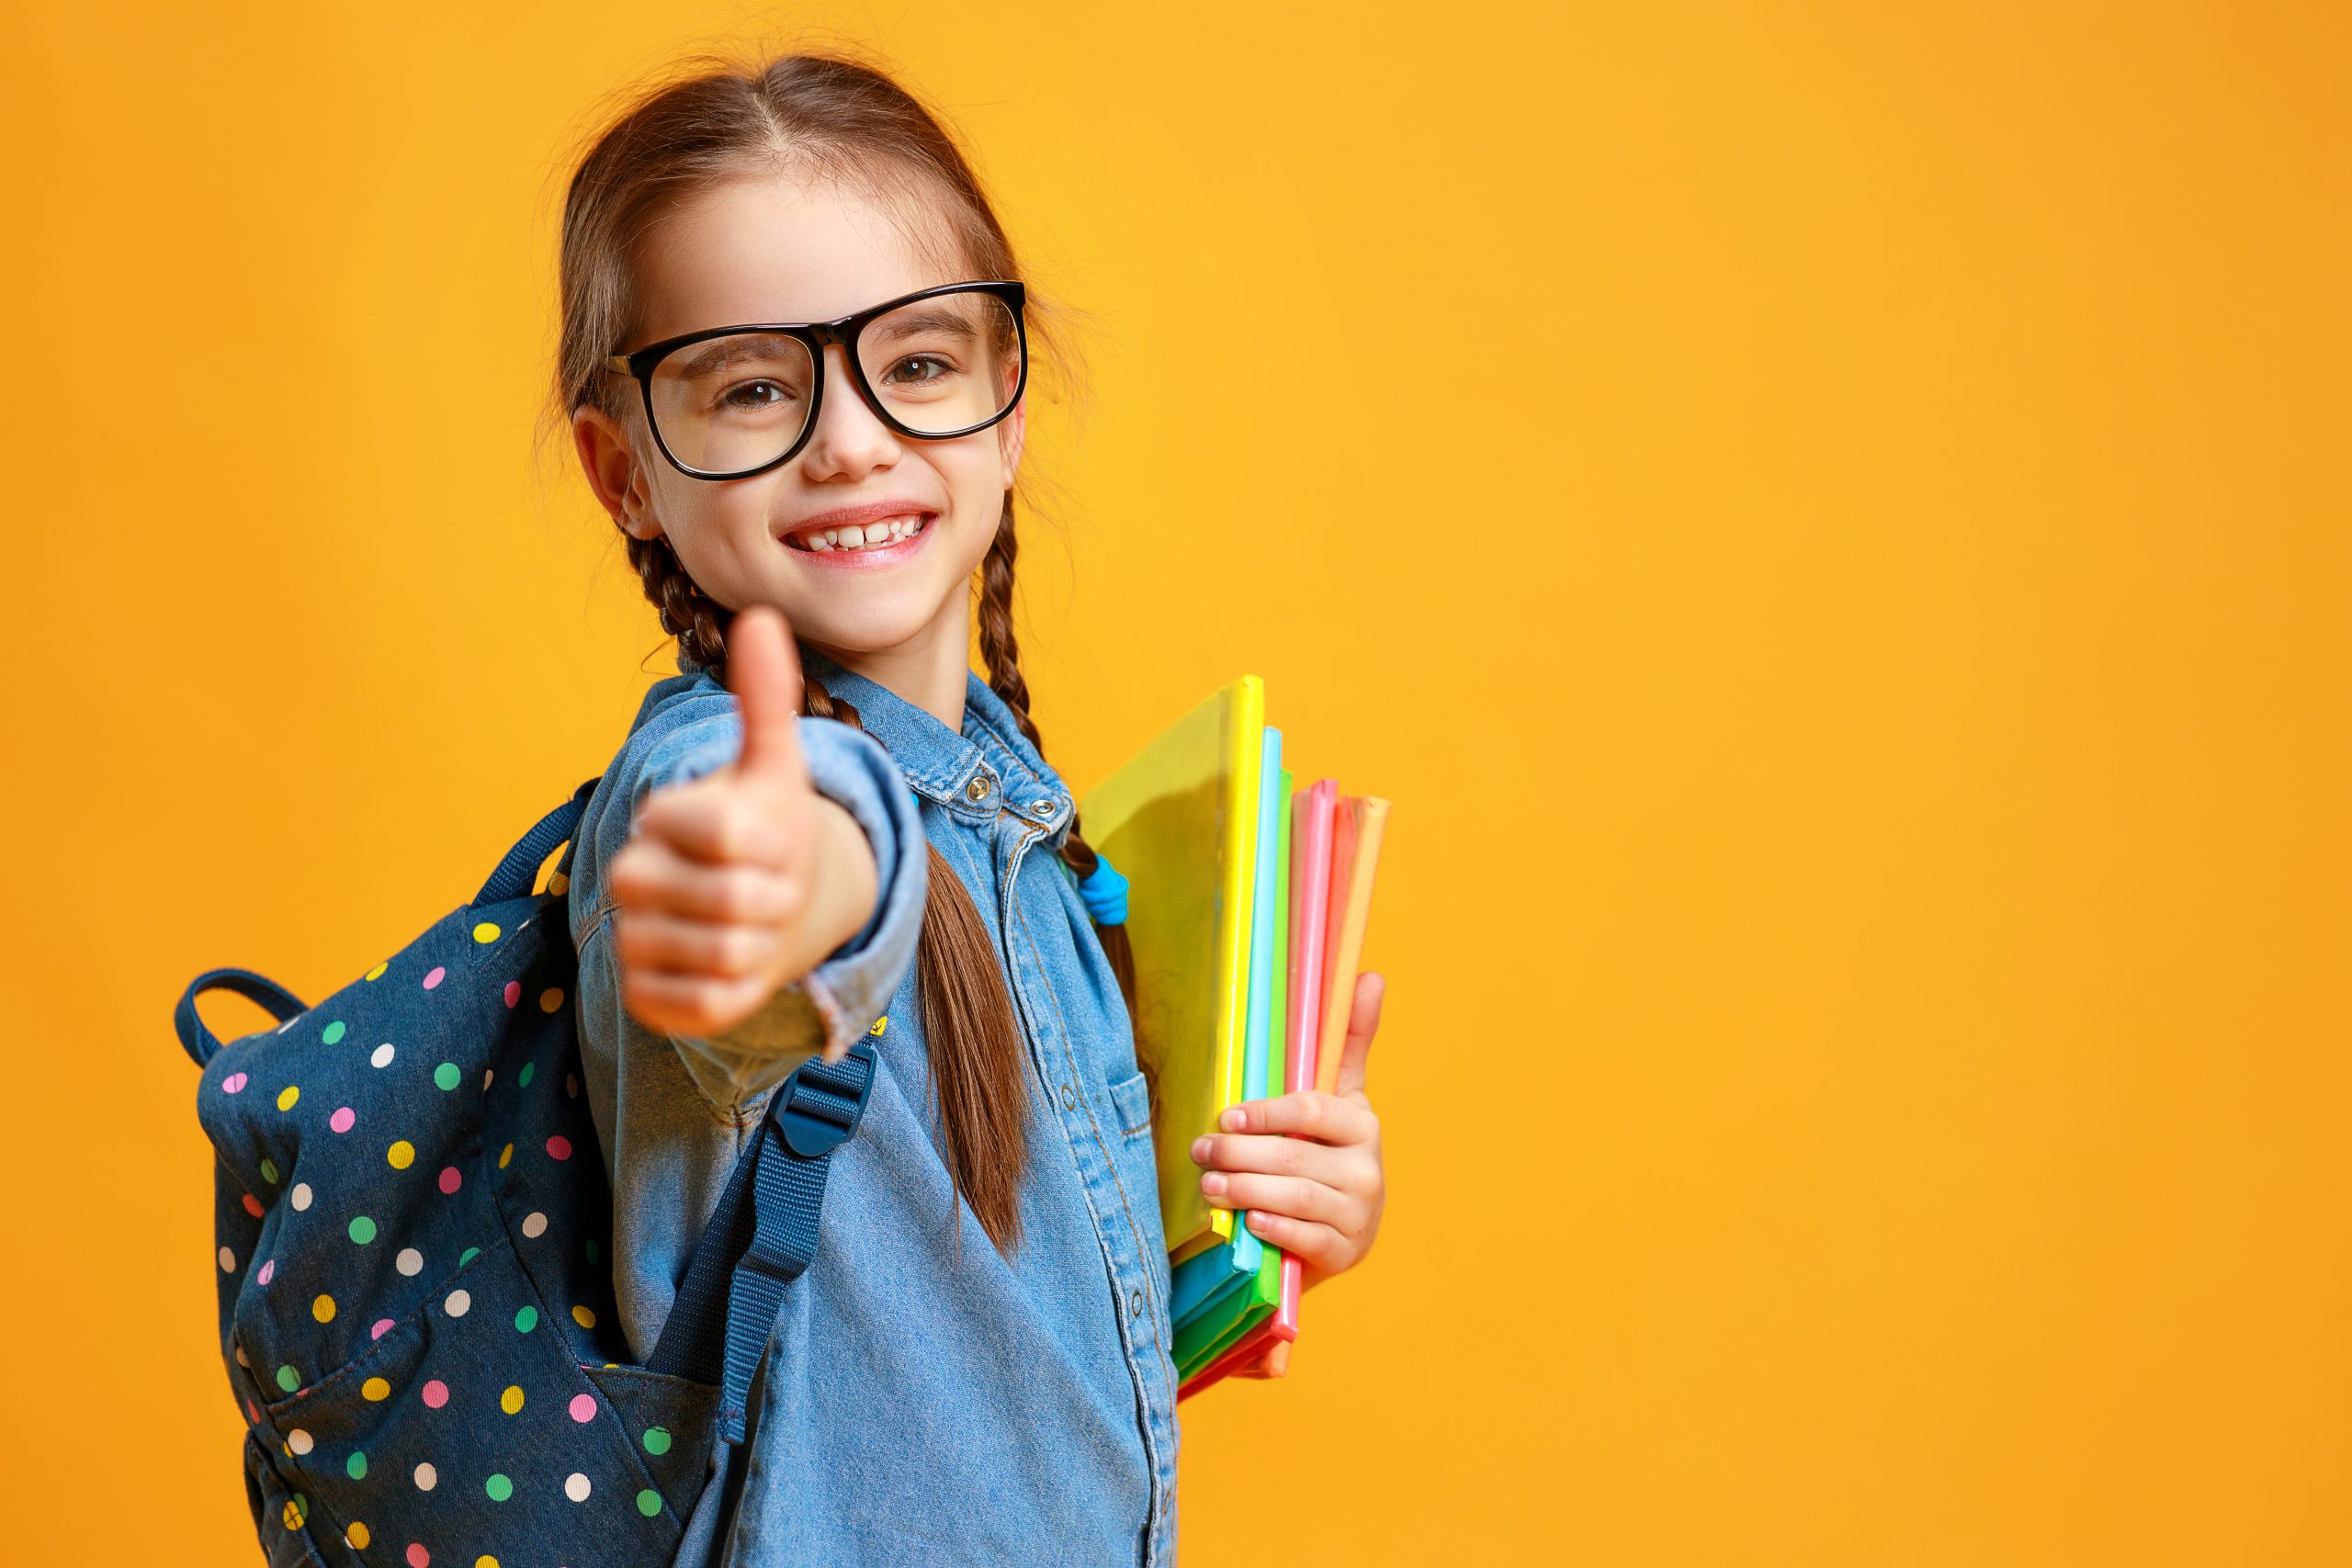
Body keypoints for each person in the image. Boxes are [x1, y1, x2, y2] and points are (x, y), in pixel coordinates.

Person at [553, 49, 1389, 1565]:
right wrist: (768, 899)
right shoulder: (711, 786)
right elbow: (802, 872)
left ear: (1009, 403)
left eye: (919, 362)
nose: (852, 436)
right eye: (752, 384)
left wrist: (1263, 1233)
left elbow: (999, 1378)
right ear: (625, 473)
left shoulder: (1043, 851)